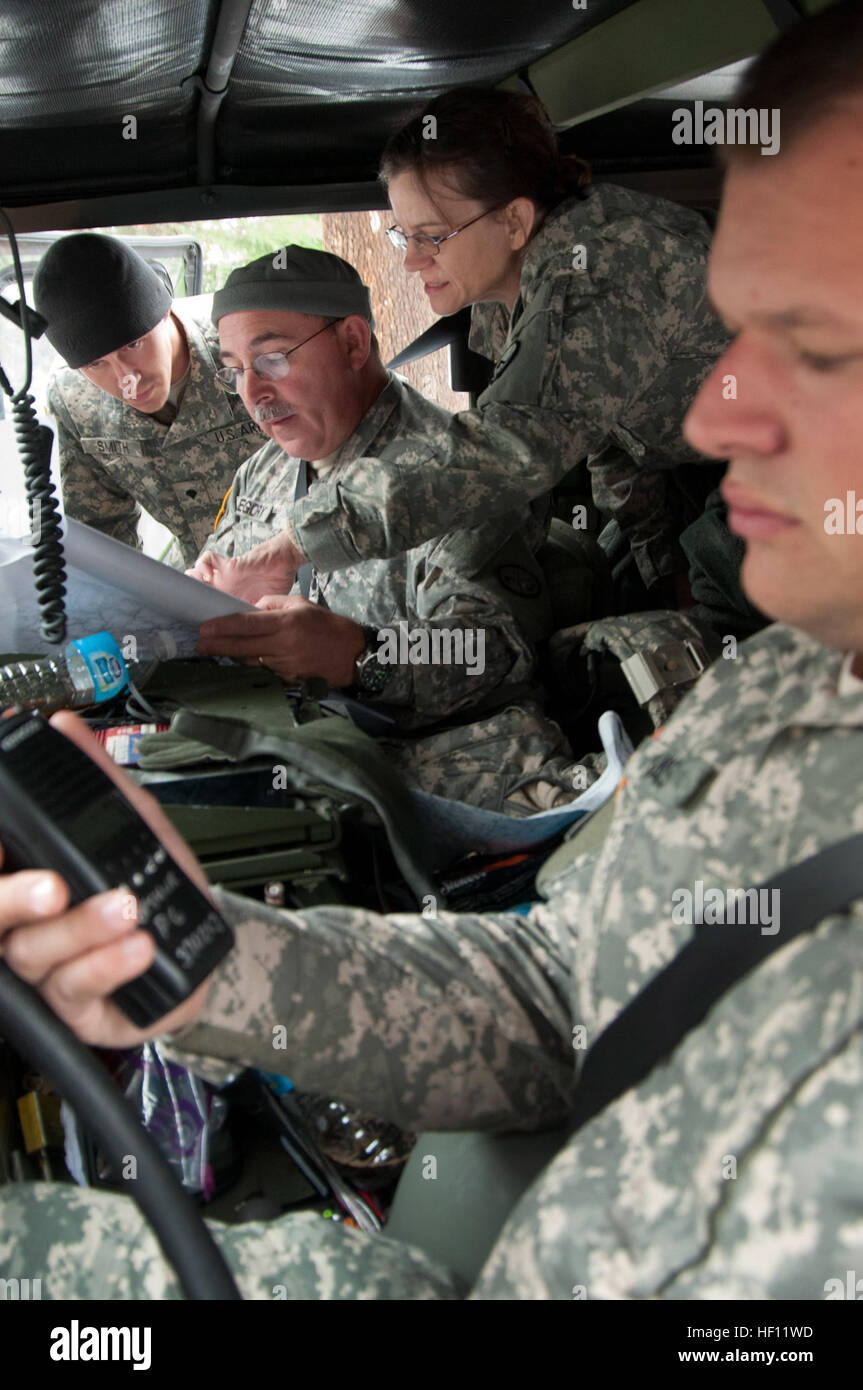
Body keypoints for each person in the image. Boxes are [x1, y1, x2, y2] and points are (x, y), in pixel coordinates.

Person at [2, 0, 863, 1300]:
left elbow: (486, 621)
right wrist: (214, 967)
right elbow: (570, 981)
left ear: (352, 344)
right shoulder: (799, 685)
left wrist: (335, 646)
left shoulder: (441, 458)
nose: (706, 408)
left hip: (440, 782)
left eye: (812, 346)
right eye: (233, 367)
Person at [193, 87, 730, 614]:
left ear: (515, 220)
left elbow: (508, 446)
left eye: (433, 236)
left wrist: (295, 545)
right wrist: (663, 567)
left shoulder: (598, 274)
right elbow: (605, 432)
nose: (411, 262)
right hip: (692, 471)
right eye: (405, 237)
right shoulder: (507, 297)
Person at [190, 245, 577, 812]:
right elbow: (223, 571)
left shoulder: (452, 475)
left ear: (352, 342)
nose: (253, 394)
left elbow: (494, 653)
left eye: (272, 359)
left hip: (409, 779)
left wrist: (362, 654)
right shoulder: (264, 469)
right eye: (235, 371)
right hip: (280, 748)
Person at [32, 234, 266, 567]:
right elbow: (103, 537)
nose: (127, 377)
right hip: (197, 576)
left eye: (133, 345)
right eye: (96, 364)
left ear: (165, 311)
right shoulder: (75, 401)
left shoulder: (246, 347)